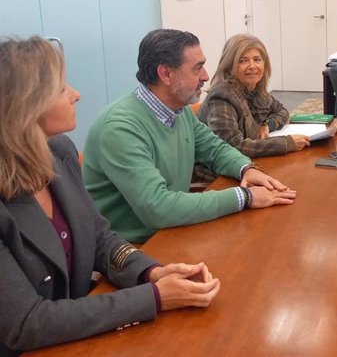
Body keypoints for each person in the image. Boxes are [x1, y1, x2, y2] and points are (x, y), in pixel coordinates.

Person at [0, 37, 221, 355]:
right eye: (62, 89)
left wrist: (150, 273)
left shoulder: (59, 153)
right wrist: (155, 297)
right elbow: (26, 323)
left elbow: (100, 239)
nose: (76, 95)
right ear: (25, 106)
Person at [83, 29, 296, 244]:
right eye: (197, 68)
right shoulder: (120, 128)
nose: (205, 76)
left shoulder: (178, 109)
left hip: (172, 229)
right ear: (166, 74)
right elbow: (158, 208)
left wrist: (245, 168)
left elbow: (215, 148)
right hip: (136, 248)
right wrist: (245, 197)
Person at [197, 34, 309, 158]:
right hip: (217, 173)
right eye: (243, 61)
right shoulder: (222, 96)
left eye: (257, 59)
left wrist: (267, 125)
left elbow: (282, 112)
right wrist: (287, 143)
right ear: (229, 66)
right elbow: (233, 147)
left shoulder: (255, 90)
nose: (252, 66)